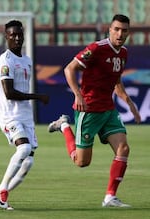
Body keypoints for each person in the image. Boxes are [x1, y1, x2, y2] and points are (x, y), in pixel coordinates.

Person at [48, 14, 141, 208]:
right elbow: (69, 69)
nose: (120, 33)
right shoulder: (96, 49)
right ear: (110, 30)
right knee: (82, 162)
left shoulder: (123, 53)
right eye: (116, 29)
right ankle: (64, 125)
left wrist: (129, 103)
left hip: (108, 109)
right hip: (88, 109)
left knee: (123, 148)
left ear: (128, 33)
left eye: (124, 30)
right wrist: (78, 95)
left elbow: (116, 81)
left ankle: (110, 197)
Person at [0, 20, 49, 210]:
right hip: (9, 115)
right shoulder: (5, 60)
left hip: (26, 116)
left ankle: (0, 191)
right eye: (12, 34)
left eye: (19, 34)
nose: (16, 38)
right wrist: (37, 96)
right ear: (6, 37)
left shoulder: (27, 60)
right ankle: (2, 194)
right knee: (23, 150)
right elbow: (9, 93)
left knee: (29, 162)